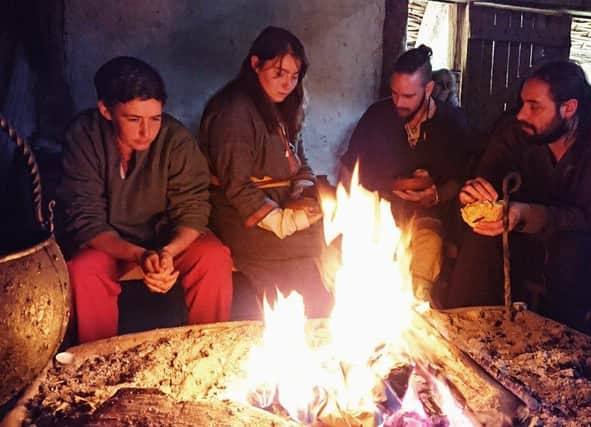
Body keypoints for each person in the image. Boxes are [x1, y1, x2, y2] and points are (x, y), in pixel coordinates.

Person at [446, 60, 591, 331]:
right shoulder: (515, 130)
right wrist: (472, 195)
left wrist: (526, 215)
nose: (522, 115)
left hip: (589, 247)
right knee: (480, 235)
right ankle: (466, 330)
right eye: (522, 103)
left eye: (534, 107)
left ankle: (560, 349)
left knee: (571, 251)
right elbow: (484, 178)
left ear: (568, 108)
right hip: (526, 238)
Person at [58, 56, 233, 344]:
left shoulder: (174, 139)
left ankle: (211, 350)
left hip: (165, 238)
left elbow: (194, 209)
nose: (146, 131)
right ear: (106, 110)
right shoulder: (84, 137)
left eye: (155, 118)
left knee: (213, 257)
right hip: (110, 243)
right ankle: (98, 360)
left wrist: (167, 251)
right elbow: (85, 220)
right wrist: (140, 255)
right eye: (134, 119)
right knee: (83, 271)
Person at [199, 27, 332, 317]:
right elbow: (237, 186)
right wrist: (282, 221)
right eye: (279, 73)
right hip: (239, 216)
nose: (287, 84)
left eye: (294, 76)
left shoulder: (286, 108)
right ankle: (300, 318)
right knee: (311, 244)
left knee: (338, 231)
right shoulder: (233, 112)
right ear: (255, 64)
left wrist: (305, 195)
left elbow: (301, 160)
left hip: (282, 203)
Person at [340, 45, 474, 303]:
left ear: (429, 89)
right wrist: (385, 188)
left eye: (409, 96)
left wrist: (436, 195)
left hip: (428, 217)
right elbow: (350, 168)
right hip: (379, 212)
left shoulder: (453, 123)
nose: (399, 103)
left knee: (427, 250)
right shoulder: (377, 116)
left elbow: (463, 178)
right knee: (342, 259)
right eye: (394, 93)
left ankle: (413, 310)